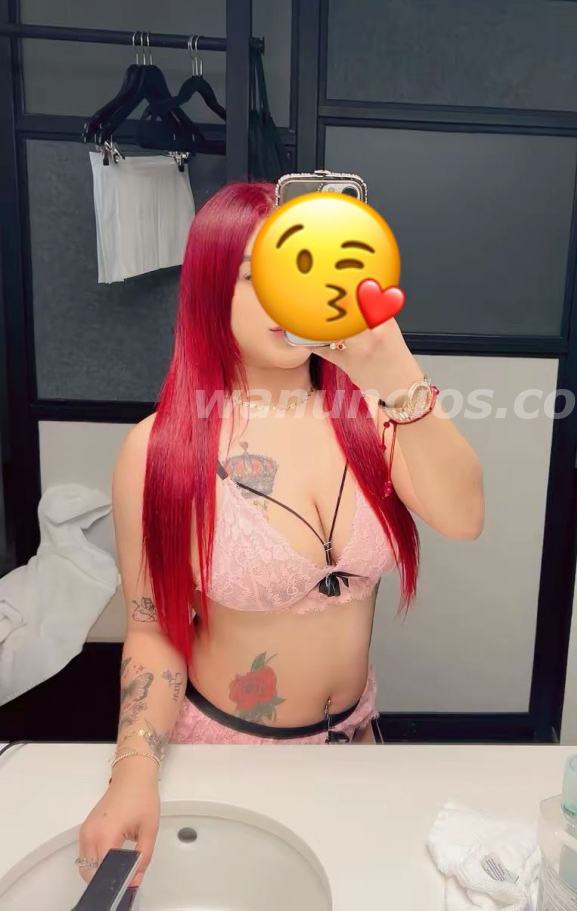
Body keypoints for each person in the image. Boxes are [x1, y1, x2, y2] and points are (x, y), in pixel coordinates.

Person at [77, 181, 484, 887]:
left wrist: (397, 375)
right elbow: (152, 628)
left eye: (303, 271)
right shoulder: (160, 450)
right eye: (256, 276)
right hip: (226, 755)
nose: (285, 296)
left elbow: (463, 517)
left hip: (355, 741)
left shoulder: (376, 419)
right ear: (210, 290)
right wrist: (132, 773)